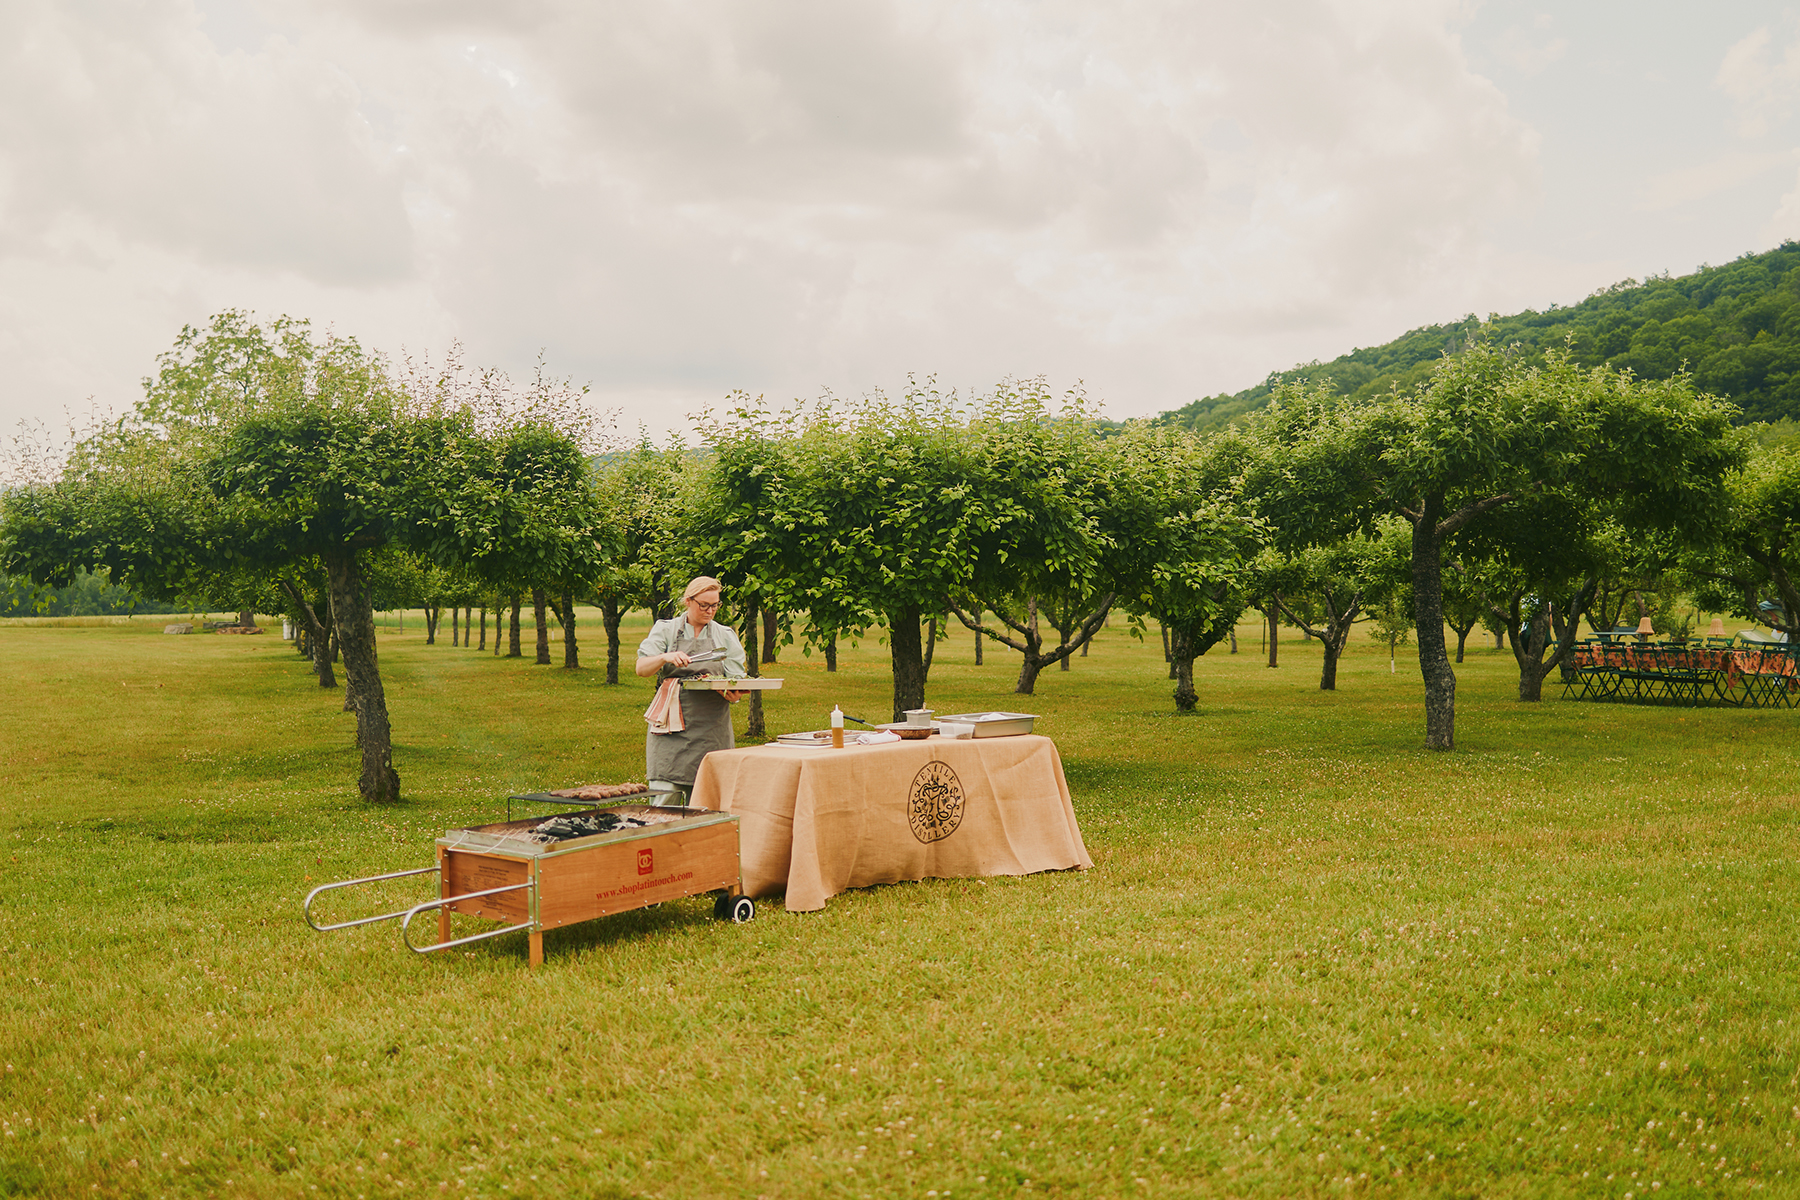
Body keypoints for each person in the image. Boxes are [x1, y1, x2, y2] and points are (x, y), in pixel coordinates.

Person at [635, 576, 748, 802]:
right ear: (688, 601)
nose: (710, 611)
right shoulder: (666, 630)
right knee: (666, 801)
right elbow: (641, 668)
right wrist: (665, 657)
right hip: (670, 726)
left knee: (710, 802)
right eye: (703, 605)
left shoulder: (724, 635)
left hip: (711, 728)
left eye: (715, 605)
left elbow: (736, 678)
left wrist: (734, 694)